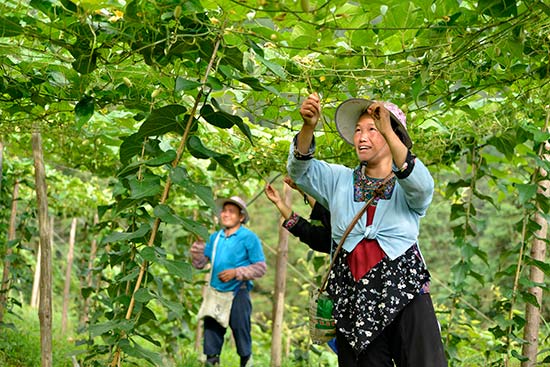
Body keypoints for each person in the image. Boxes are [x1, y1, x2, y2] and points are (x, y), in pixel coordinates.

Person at [286, 93, 448, 366]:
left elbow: (423, 188)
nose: (362, 137)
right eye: (359, 130)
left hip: (405, 290)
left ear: (391, 136)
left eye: (372, 129)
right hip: (353, 296)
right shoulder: (337, 179)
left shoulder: (408, 185)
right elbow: (299, 171)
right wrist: (308, 128)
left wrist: (387, 125)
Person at [190, 196, 267, 367]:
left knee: (241, 331)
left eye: (231, 211)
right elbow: (200, 263)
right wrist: (197, 251)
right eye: (224, 211)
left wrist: (236, 272)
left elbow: (261, 268)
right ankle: (211, 362)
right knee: (211, 333)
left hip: (238, 291)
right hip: (216, 292)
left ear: (241, 217)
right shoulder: (215, 237)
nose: (225, 214)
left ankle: (246, 362)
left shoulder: (249, 237)